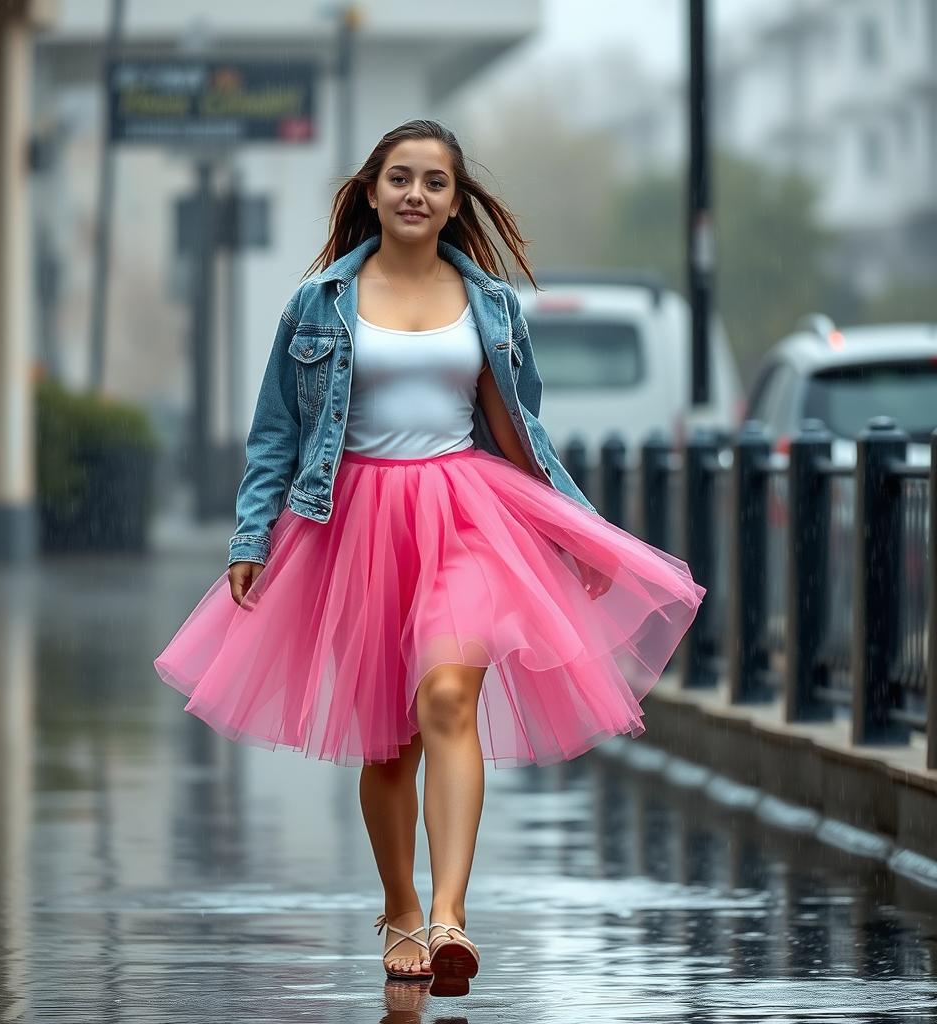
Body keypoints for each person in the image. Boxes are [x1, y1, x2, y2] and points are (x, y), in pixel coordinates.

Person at [153, 118, 706, 998]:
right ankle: (401, 906)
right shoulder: (317, 305)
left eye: (435, 183)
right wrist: (252, 538)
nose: (416, 194)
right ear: (371, 192)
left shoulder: (489, 306)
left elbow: (522, 432)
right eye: (400, 179)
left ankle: (450, 914)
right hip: (350, 529)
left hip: (466, 518)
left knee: (448, 697)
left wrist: (575, 529)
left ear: (454, 203)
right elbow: (275, 436)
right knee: (388, 745)